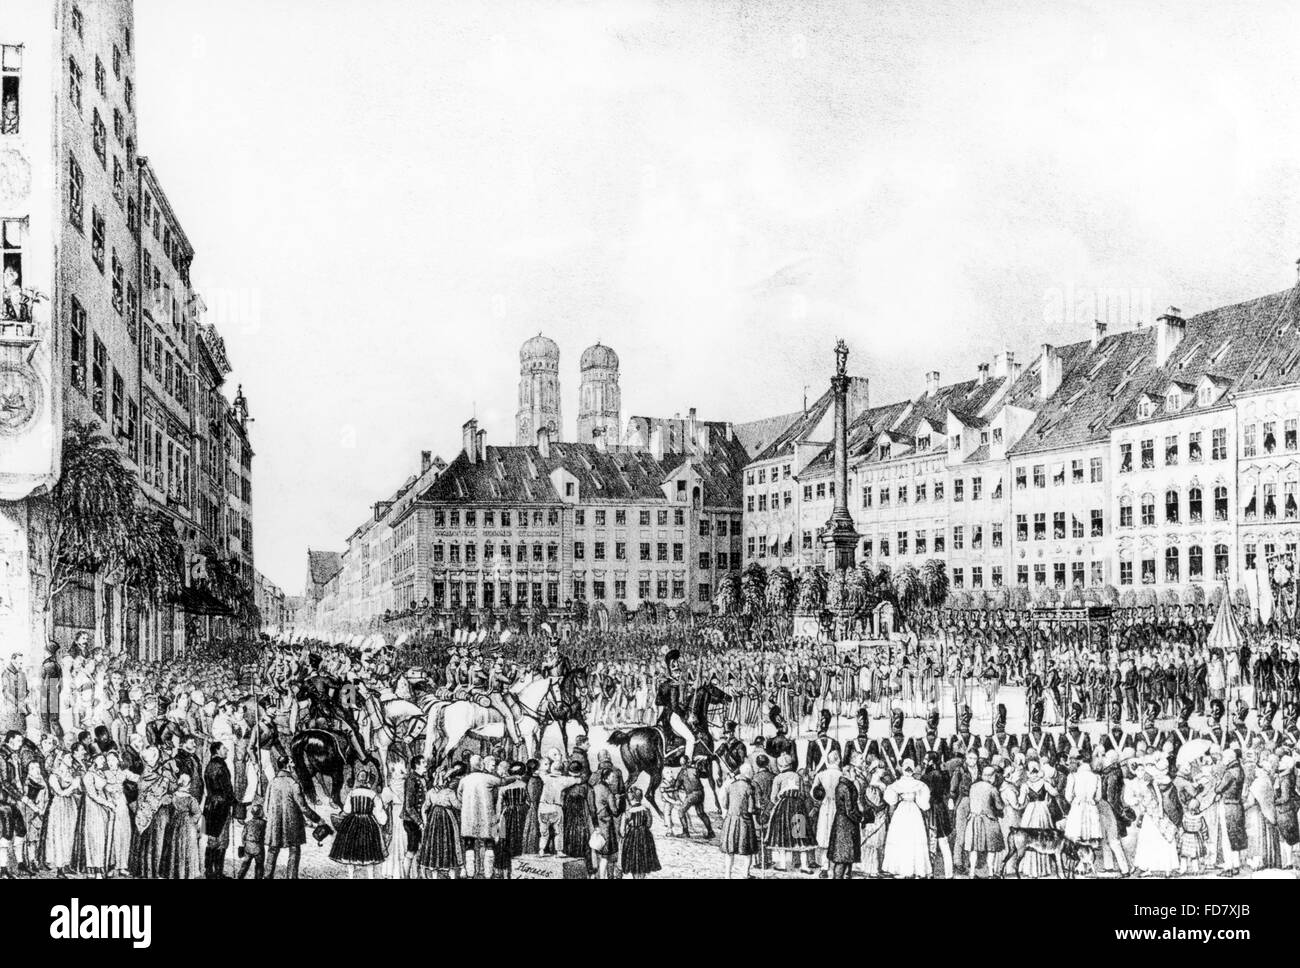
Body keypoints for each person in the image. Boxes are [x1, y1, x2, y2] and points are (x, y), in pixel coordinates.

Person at [265, 753, 321, 880]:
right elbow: (304, 808)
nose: (294, 765)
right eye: (291, 763)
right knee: (294, 850)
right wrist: (318, 819)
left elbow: (266, 806)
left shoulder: (272, 782)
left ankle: (266, 876)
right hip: (293, 823)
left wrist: (271, 818)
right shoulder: (293, 783)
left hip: (275, 823)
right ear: (287, 766)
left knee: (273, 850)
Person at [329, 764, 388, 878]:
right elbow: (379, 810)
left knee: (350, 853)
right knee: (369, 853)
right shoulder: (372, 794)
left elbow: (347, 810)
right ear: (367, 780)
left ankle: (351, 877)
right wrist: (382, 820)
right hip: (368, 823)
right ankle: (370, 877)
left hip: (352, 822)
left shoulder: (352, 793)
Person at [883, 759, 931, 878]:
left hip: (903, 809)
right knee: (908, 838)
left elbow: (891, 799)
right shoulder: (917, 784)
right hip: (911, 810)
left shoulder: (899, 783)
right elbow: (923, 803)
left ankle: (906, 870)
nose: (909, 772)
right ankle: (909, 870)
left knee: (907, 838)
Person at [765, 752, 813, 872]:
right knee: (800, 835)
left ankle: (782, 865)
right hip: (798, 807)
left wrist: (779, 801)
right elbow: (802, 794)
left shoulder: (778, 778)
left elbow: (773, 797)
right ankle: (804, 866)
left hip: (783, 807)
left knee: (782, 835)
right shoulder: (798, 776)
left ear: (780, 766)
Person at [418, 769, 463, 878]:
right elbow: (458, 806)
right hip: (447, 820)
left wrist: (425, 822)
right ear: (447, 779)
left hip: (433, 821)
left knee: (435, 845)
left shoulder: (431, 792)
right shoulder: (449, 792)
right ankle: (451, 874)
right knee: (449, 845)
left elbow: (424, 808)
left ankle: (435, 875)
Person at [720, 762, 759, 879]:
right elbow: (750, 809)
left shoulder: (731, 785)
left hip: (730, 820)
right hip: (744, 822)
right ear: (749, 773)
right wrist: (758, 811)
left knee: (729, 850)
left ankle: (727, 875)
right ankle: (745, 874)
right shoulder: (749, 787)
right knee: (748, 851)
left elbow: (725, 804)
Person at [964, 766, 1004, 878]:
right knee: (992, 848)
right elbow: (999, 806)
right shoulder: (992, 788)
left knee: (974, 848)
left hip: (973, 820)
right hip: (988, 820)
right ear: (992, 776)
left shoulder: (973, 786)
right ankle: (991, 873)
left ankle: (971, 873)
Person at [202, 741, 235, 878]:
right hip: (221, 806)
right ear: (217, 750)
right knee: (222, 841)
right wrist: (235, 803)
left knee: (212, 840)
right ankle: (218, 873)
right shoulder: (221, 766)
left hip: (209, 805)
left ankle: (209, 872)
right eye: (224, 749)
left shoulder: (209, 766)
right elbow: (227, 790)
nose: (227, 750)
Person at [619, 786, 660, 879]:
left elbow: (622, 831)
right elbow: (649, 824)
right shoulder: (646, 810)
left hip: (632, 837)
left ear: (632, 797)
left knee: (634, 862)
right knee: (643, 861)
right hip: (645, 836)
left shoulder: (628, 812)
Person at [1, 652, 27, 736]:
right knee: (12, 732)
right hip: (11, 708)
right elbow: (6, 692)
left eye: (21, 661)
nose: (20, 663)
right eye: (19, 660)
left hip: (21, 707)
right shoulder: (6, 674)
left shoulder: (22, 674)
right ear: (13, 660)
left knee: (22, 731)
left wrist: (24, 700)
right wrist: (17, 703)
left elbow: (26, 690)